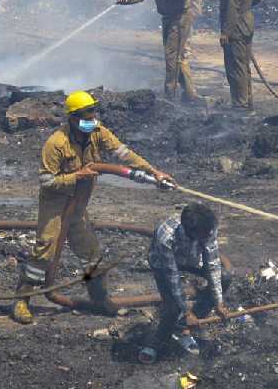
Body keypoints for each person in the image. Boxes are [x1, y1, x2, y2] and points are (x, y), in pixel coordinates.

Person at [11, 91, 174, 324]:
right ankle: (21, 300)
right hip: (55, 205)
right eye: (87, 113)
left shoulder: (98, 132)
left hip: (78, 206)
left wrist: (153, 172)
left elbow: (124, 154)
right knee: (44, 252)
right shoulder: (56, 143)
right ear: (73, 117)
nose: (92, 117)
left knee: (92, 255)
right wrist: (77, 175)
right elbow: (46, 181)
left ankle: (99, 299)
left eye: (93, 112)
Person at [138, 203, 231, 364]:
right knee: (172, 307)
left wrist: (219, 302)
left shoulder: (208, 228)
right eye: (205, 234)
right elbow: (173, 278)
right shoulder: (166, 236)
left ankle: (184, 328)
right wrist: (186, 311)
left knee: (226, 276)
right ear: (191, 232)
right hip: (163, 262)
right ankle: (156, 342)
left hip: (192, 258)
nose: (209, 235)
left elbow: (214, 264)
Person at [116, 0, 200, 103]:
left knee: (171, 57)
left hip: (180, 16)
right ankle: (190, 95)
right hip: (167, 17)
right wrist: (126, 1)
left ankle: (169, 96)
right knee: (176, 57)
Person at [219, 0, 261, 110]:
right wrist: (246, 7)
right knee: (244, 66)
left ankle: (240, 105)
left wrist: (225, 33)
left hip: (236, 29)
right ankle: (247, 102)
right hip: (247, 25)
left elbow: (231, 8)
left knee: (236, 68)